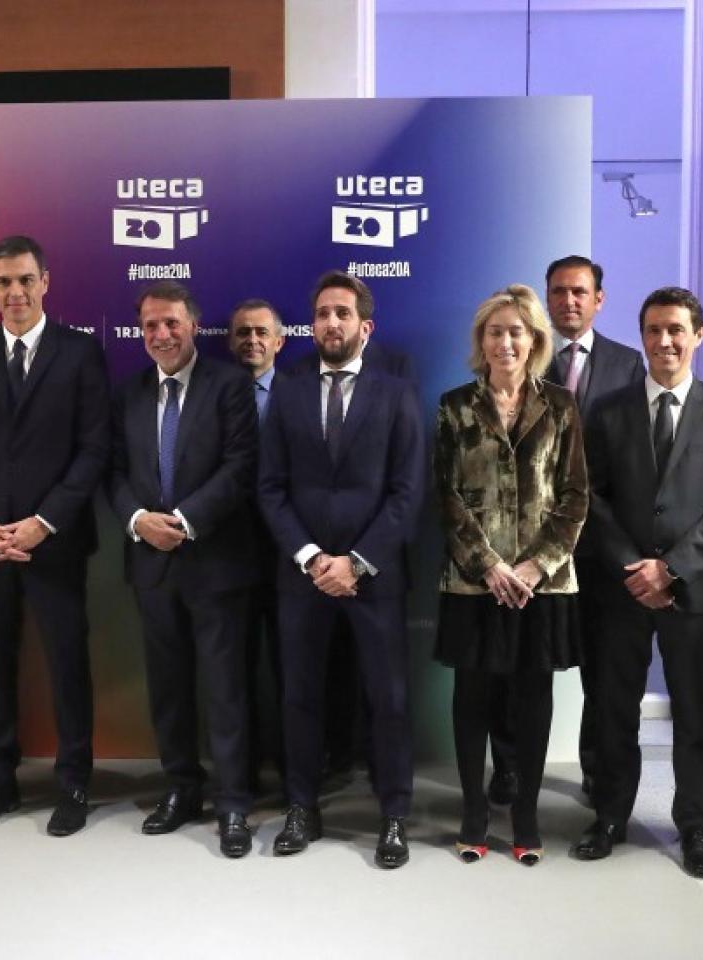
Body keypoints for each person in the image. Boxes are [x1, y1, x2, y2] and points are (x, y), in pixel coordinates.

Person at [574, 287, 703, 878]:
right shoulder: (609, 409)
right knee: (613, 707)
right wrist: (634, 566)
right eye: (653, 330)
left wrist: (670, 568)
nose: (664, 341)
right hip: (619, 589)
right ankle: (610, 817)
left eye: (676, 329)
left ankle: (695, 827)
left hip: (692, 591)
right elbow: (592, 495)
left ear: (698, 335)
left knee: (694, 711)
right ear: (642, 336)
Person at [258, 270, 424, 869]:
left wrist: (355, 562)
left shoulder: (397, 393)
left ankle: (394, 814)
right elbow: (271, 488)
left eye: (343, 314)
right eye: (323, 313)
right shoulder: (290, 390)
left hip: (374, 577)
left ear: (364, 326)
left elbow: (407, 492)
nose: (332, 323)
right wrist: (310, 558)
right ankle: (301, 807)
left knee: (389, 699)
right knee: (300, 696)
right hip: (301, 578)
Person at [0, 234, 109, 836]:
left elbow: (94, 450)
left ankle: (73, 782)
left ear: (45, 283)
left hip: (55, 542)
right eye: (3, 282)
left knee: (67, 664)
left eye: (24, 280)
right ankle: (0, 780)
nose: (14, 292)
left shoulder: (81, 353)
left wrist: (42, 524)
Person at [433, 283, 587, 866]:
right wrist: (492, 566)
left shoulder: (562, 406)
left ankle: (525, 818)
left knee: (531, 700)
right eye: (495, 332)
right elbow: (445, 498)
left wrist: (532, 565)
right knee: (472, 698)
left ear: (535, 341)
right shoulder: (453, 406)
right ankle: (474, 814)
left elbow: (575, 496)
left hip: (541, 586)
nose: (505, 342)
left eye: (516, 331)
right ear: (482, 341)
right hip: (473, 583)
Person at [109, 281, 259, 858]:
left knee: (225, 691)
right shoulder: (128, 394)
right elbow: (114, 471)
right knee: (169, 690)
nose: (161, 334)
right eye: (150, 325)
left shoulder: (229, 386)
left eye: (171, 323)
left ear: (193, 326)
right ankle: (181, 789)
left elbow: (241, 466)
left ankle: (234, 803)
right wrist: (138, 520)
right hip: (150, 564)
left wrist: (185, 520)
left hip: (216, 563)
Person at [544, 254, 645, 803]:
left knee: (604, 677)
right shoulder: (523, 358)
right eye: (558, 292)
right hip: (537, 549)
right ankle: (512, 769)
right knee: (526, 665)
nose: (569, 301)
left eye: (580, 292)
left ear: (599, 299)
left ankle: (598, 772)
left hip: (604, 550)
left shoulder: (631, 366)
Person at [228, 298, 285, 794]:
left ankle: (296, 769)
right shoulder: (215, 394)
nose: (252, 340)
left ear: (280, 340)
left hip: (291, 554)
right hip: (228, 554)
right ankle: (239, 772)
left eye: (262, 332)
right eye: (243, 332)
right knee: (236, 669)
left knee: (293, 667)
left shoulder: (301, 392)